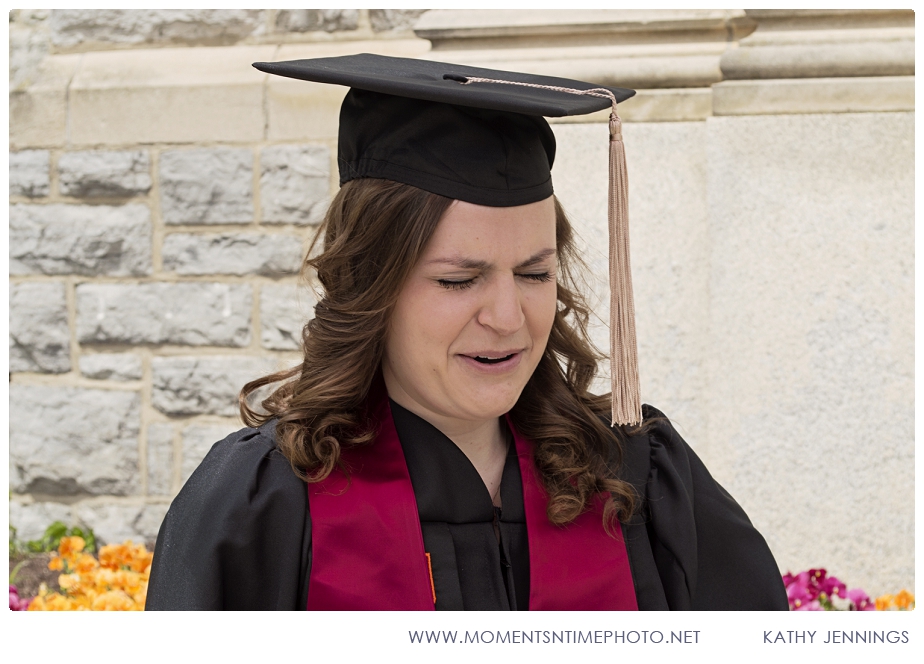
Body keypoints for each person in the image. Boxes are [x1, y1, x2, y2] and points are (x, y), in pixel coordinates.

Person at [146, 54, 788, 611]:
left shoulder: (636, 477)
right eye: (459, 280)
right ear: (374, 285)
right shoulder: (265, 504)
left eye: (535, 274)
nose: (508, 318)